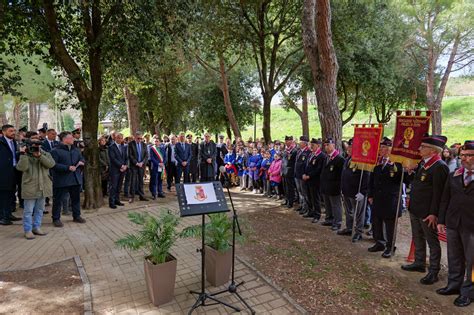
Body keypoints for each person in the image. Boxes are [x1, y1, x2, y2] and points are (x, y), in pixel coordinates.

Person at [401, 134, 449, 285]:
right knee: (417, 236)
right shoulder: (423, 163)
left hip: (428, 212)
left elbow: (439, 194)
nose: (419, 149)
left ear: (433, 150)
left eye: (423, 147)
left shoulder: (439, 166)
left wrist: (434, 213)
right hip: (416, 208)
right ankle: (419, 262)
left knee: (432, 241)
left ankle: (433, 271)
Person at [437, 140, 474, 307]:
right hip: (453, 222)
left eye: (469, 156)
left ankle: (468, 292)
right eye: (463, 155)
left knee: (472, 261)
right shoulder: (455, 175)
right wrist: (442, 220)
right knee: (454, 256)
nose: (465, 158)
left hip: (471, 226)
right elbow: (445, 198)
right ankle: (454, 284)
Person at [367, 137, 403, 257]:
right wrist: (370, 195)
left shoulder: (397, 163)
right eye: (381, 147)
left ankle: (390, 246)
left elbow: (403, 181)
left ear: (389, 149)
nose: (381, 150)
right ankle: (379, 242)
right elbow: (372, 180)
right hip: (377, 198)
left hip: (390, 199)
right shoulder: (378, 162)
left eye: (383, 147)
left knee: (389, 225)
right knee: (376, 222)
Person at [16, 135, 55, 239]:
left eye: (38, 144)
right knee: (28, 211)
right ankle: (27, 230)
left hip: (43, 187)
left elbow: (51, 165)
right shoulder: (25, 156)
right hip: (30, 187)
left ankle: (36, 227)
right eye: (33, 144)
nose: (36, 146)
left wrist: (40, 156)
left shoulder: (45, 154)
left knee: (39, 210)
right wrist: (23, 154)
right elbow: (21, 167)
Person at [50, 131, 86, 227]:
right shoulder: (55, 151)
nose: (73, 139)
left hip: (75, 179)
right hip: (62, 180)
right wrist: (67, 168)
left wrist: (82, 162)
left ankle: (77, 216)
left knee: (76, 199)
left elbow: (82, 158)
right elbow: (53, 165)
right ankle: (56, 218)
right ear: (64, 139)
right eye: (71, 138)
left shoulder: (76, 150)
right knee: (58, 200)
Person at [339, 138, 369, 241]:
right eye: (349, 146)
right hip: (347, 190)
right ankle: (349, 227)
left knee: (359, 213)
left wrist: (363, 192)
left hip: (357, 192)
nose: (349, 148)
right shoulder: (348, 158)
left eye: (351, 147)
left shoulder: (362, 160)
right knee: (348, 212)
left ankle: (358, 232)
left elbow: (366, 177)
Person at [320, 138, 345, 231]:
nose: (326, 147)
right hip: (326, 185)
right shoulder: (327, 157)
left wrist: (339, 187)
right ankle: (329, 219)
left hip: (334, 186)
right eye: (325, 145)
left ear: (333, 145)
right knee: (327, 204)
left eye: (328, 145)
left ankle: (337, 222)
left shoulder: (339, 159)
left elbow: (341, 175)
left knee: (336, 205)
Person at [0, 125, 21, 225]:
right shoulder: (1, 142)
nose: (13, 133)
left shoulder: (14, 142)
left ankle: (8, 214)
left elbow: (12, 156)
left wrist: (20, 153)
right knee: (3, 195)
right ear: (4, 132)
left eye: (14, 131)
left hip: (14, 171)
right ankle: (2, 217)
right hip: (3, 173)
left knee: (11, 194)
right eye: (10, 131)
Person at [303, 138, 326, 223]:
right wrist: (304, 174)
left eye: (313, 145)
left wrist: (309, 176)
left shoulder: (321, 156)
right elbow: (307, 166)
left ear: (318, 146)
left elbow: (318, 169)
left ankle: (317, 215)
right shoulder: (311, 154)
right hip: (307, 179)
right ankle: (310, 211)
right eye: (311, 145)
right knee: (309, 196)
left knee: (315, 198)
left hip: (315, 180)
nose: (311, 146)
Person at [128, 131, 148, 203]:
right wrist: (136, 163)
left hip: (141, 166)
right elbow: (130, 155)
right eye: (138, 138)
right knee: (133, 181)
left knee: (141, 181)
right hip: (134, 166)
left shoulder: (144, 145)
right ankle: (131, 197)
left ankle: (141, 196)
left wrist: (142, 162)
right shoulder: (130, 144)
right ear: (135, 137)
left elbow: (146, 155)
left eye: (141, 138)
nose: (139, 140)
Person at [108, 133, 127, 209]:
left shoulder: (123, 147)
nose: (120, 139)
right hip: (115, 170)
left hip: (122, 170)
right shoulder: (111, 147)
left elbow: (125, 157)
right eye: (118, 138)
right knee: (113, 186)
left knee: (119, 186)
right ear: (115, 138)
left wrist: (125, 165)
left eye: (121, 138)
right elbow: (113, 158)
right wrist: (121, 165)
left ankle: (117, 200)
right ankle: (111, 202)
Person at [294, 136, 311, 215]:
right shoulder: (299, 151)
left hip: (302, 175)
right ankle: (302, 205)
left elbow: (306, 165)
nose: (299, 143)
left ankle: (306, 207)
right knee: (300, 191)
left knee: (304, 193)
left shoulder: (308, 152)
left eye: (301, 142)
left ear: (305, 143)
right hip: (297, 175)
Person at [281, 136, 298, 208]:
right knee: (285, 187)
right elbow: (283, 162)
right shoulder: (285, 150)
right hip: (284, 172)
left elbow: (294, 162)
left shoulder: (294, 150)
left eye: (288, 141)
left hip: (290, 172)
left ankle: (290, 202)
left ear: (291, 141)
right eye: (286, 141)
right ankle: (287, 200)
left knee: (290, 188)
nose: (286, 142)